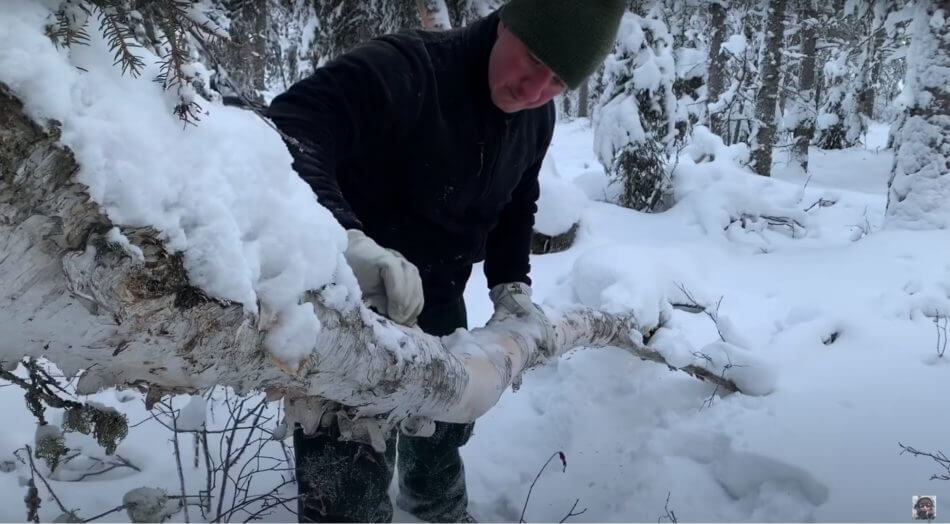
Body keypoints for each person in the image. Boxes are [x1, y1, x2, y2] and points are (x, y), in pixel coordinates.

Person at [267, 0, 623, 521]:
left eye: (556, 82)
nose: (532, 90)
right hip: (348, 305)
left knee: (441, 437)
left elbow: (517, 202)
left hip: (440, 302)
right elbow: (288, 129)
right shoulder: (406, 68)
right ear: (506, 23)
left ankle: (436, 509)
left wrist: (510, 287)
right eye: (530, 59)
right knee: (347, 485)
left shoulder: (536, 116)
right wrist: (346, 237)